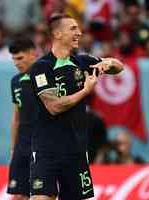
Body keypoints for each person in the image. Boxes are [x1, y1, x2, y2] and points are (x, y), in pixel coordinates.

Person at [29, 13, 123, 200]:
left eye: (79, 29)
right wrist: (85, 91)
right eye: (73, 29)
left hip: (76, 150)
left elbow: (119, 67)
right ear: (57, 34)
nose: (79, 33)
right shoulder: (42, 67)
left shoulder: (83, 62)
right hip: (47, 149)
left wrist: (108, 63)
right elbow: (53, 106)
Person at [6, 38, 38, 200]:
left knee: (44, 194)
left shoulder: (47, 76)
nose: (16, 63)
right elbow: (16, 117)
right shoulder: (16, 81)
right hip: (22, 145)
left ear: (33, 54)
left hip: (43, 144)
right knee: (18, 195)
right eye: (14, 59)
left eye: (20, 58)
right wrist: (13, 149)